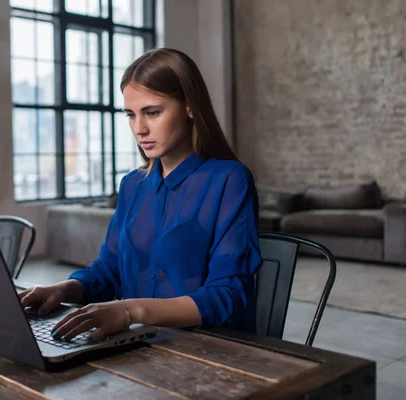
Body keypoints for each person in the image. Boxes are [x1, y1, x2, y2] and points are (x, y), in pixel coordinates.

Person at [19, 48, 262, 344]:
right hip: (139, 346)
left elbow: (228, 295)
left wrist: (131, 310)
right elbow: (108, 270)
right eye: (131, 115)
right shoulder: (133, 184)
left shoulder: (229, 179)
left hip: (210, 348)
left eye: (152, 112)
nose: (139, 128)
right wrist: (63, 289)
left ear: (189, 107)